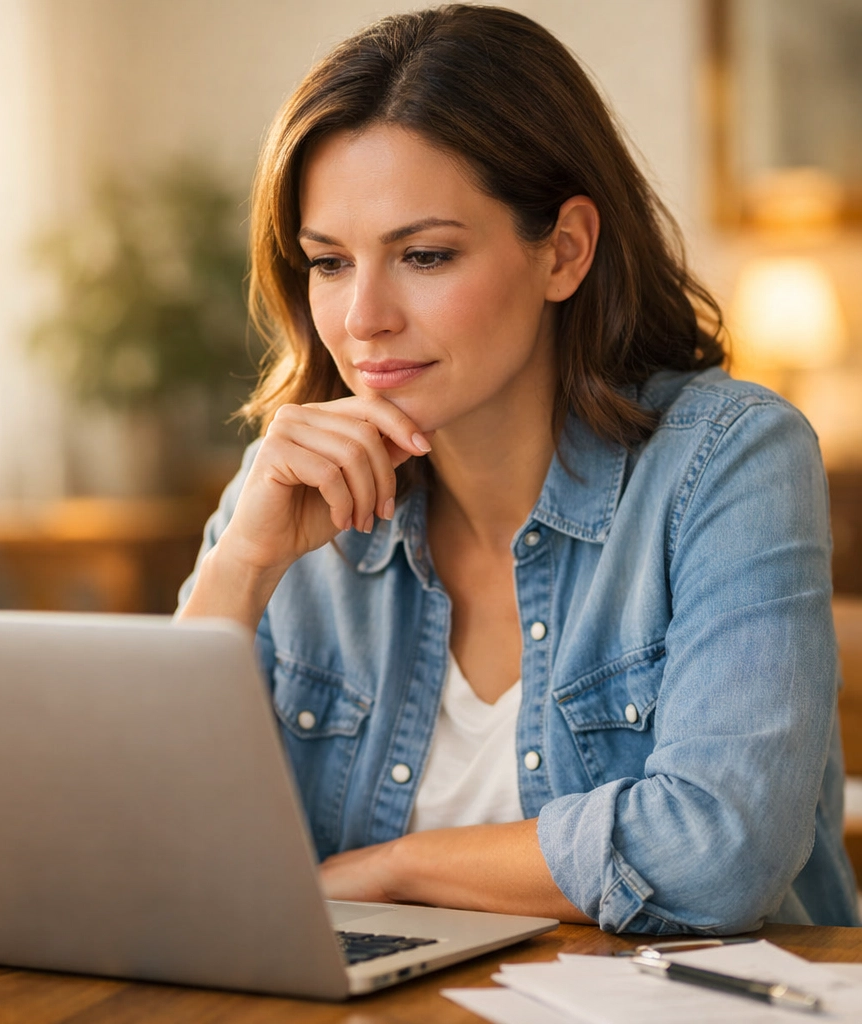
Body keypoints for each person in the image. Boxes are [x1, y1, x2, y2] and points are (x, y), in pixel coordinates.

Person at [178, 4, 859, 932]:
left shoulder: (726, 458)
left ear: (564, 251)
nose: (363, 318)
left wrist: (392, 871)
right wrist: (239, 572)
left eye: (424, 255)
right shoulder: (287, 488)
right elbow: (152, 860)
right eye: (329, 262)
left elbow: (720, 850)